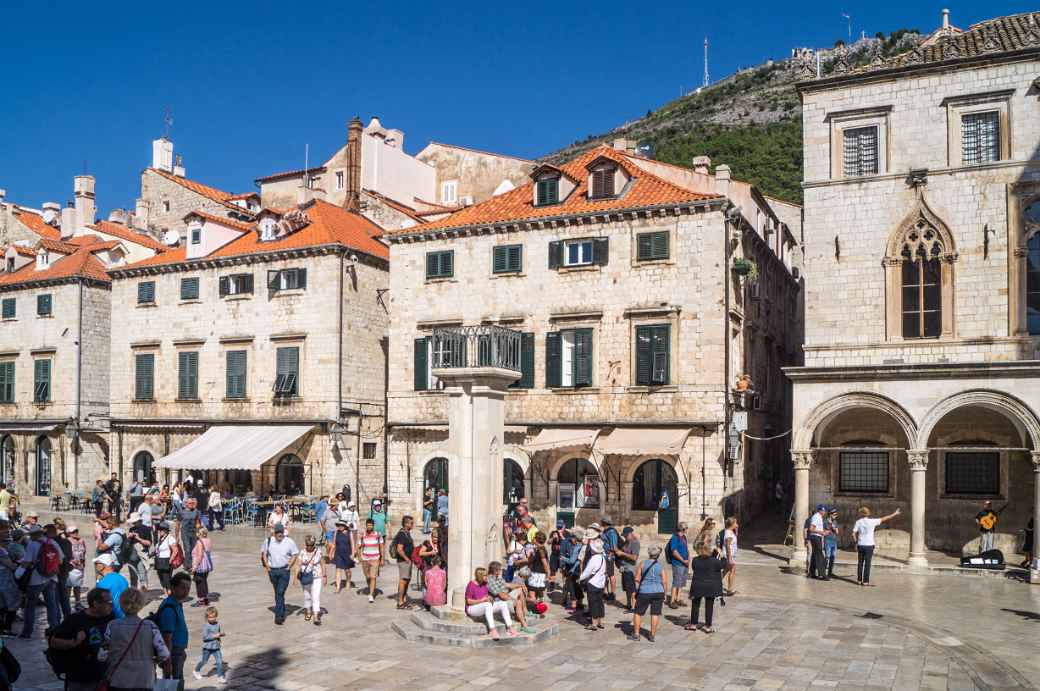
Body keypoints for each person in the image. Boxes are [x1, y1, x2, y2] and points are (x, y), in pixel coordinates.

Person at [46, 587, 115, 691]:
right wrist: (73, 642)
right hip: (81, 677)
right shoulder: (75, 620)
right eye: (108, 602)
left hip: (104, 675)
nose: (112, 605)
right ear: (96, 603)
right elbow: (53, 641)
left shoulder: (111, 617)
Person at [106, 587, 171, 690]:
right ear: (141, 605)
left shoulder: (112, 626)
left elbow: (102, 655)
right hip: (144, 679)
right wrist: (154, 660)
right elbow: (164, 654)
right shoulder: (150, 626)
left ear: (121, 604)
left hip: (119, 679)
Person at [19, 523, 62, 637]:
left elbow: (27, 562)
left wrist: (18, 574)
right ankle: (54, 628)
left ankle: (27, 632)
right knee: (51, 604)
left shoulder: (32, 544)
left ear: (33, 535)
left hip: (36, 579)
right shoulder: (52, 543)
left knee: (30, 606)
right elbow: (61, 560)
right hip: (52, 578)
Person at [685, 541, 730, 633]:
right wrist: (722, 555)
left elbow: (694, 568)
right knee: (709, 606)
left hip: (698, 586)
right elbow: (724, 565)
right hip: (710, 587)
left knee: (695, 605)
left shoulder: (695, 560)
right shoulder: (715, 561)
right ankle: (707, 626)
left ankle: (693, 624)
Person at [465, 567, 517, 639]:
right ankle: (492, 630)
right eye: (485, 575)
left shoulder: (485, 584)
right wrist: (482, 600)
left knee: (502, 603)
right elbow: (469, 601)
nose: (487, 577)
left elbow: (487, 596)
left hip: (484, 606)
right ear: (480, 576)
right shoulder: (471, 584)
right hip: (472, 608)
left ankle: (509, 627)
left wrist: (490, 598)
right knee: (487, 604)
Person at [261, 523, 299, 625]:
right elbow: (264, 553)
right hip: (272, 571)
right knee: (278, 593)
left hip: (284, 571)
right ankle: (281, 613)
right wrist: (267, 567)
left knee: (280, 592)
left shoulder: (289, 541)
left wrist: (289, 565)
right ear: (274, 533)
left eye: (281, 532)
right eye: (277, 532)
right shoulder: (268, 541)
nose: (279, 534)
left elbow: (295, 553)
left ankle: (278, 616)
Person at [853, 506, 900, 586]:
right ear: (868, 513)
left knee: (860, 563)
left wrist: (856, 542)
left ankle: (859, 580)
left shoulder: (858, 522)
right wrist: (895, 513)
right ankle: (865, 581)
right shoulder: (872, 521)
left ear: (861, 514)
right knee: (867, 564)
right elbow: (885, 518)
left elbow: (853, 533)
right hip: (869, 545)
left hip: (861, 545)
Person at [629, 545, 667, 642]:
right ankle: (652, 635)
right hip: (658, 591)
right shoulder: (660, 566)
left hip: (645, 591)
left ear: (649, 554)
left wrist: (635, 591)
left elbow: (637, 578)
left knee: (638, 613)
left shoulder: (642, 563)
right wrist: (665, 594)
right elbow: (664, 581)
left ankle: (636, 634)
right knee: (655, 613)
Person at [157, 572, 190, 681]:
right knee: (174, 683)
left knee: (178, 682)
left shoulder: (177, 603)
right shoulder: (169, 608)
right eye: (182, 588)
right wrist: (168, 662)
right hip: (173, 653)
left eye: (188, 588)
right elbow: (167, 638)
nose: (186, 591)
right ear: (173, 588)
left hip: (178, 652)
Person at [486, 560, 536, 634]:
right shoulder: (490, 580)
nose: (501, 571)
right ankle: (524, 625)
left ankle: (524, 612)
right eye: (499, 569)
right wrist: (513, 599)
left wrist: (521, 585)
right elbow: (501, 596)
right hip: (500, 602)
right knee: (518, 602)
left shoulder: (497, 578)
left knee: (519, 589)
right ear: (495, 570)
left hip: (506, 596)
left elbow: (508, 585)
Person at [296, 535, 325, 625]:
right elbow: (298, 564)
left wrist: (324, 576)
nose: (309, 547)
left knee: (315, 597)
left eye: (311, 545)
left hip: (317, 577)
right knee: (307, 596)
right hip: (305, 577)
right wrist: (295, 577)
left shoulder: (318, 552)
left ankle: (316, 616)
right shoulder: (302, 552)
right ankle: (308, 611)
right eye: (308, 545)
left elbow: (323, 564)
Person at [579, 540, 607, 631]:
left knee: (593, 603)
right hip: (601, 584)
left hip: (593, 583)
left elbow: (587, 572)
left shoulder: (593, 559)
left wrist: (579, 578)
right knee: (600, 603)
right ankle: (600, 622)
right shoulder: (603, 558)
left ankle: (594, 624)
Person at [193, 606, 226, 683]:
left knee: (219, 662)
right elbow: (205, 638)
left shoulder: (217, 624)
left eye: (214, 617)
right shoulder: (206, 626)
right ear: (207, 618)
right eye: (210, 617)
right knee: (204, 661)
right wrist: (215, 636)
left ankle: (220, 676)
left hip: (216, 647)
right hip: (207, 648)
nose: (212, 619)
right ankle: (196, 670)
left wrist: (220, 637)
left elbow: (218, 633)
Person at [391, 515, 415, 609]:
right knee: (403, 581)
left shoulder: (407, 533)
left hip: (408, 561)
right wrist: (407, 559)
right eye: (411, 523)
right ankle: (400, 602)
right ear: (406, 524)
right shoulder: (402, 534)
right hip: (403, 561)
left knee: (407, 580)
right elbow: (399, 549)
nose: (413, 525)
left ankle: (404, 599)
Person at [94, 553, 129, 619]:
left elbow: (98, 606)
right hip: (125, 617)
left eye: (96, 563)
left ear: (103, 566)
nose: (95, 566)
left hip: (110, 619)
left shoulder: (103, 583)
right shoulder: (122, 578)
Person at [52, 518, 74, 620]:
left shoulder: (53, 541)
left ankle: (56, 620)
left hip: (55, 572)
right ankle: (68, 618)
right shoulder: (67, 542)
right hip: (64, 571)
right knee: (64, 598)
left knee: (55, 598)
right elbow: (69, 557)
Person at [357, 518, 383, 603]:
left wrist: (382, 558)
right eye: (368, 525)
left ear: (373, 526)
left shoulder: (378, 535)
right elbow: (359, 546)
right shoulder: (362, 535)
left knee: (373, 577)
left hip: (375, 558)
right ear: (366, 525)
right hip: (365, 558)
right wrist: (359, 556)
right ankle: (371, 588)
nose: (369, 527)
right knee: (367, 576)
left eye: (371, 525)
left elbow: (381, 546)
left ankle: (371, 594)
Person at [125, 513, 152, 593]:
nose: (133, 523)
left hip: (141, 556)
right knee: (133, 577)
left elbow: (149, 543)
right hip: (131, 556)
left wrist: (138, 538)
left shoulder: (146, 529)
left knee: (142, 576)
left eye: (134, 522)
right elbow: (128, 543)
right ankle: (134, 595)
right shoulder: (131, 529)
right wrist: (129, 538)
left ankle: (143, 595)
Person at [666, 523, 690, 608]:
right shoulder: (675, 538)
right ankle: (672, 601)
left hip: (685, 563)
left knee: (682, 582)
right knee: (676, 582)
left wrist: (688, 561)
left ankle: (678, 598)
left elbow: (686, 549)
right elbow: (674, 551)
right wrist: (683, 560)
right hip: (678, 563)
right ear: (683, 529)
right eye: (686, 528)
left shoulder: (684, 537)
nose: (687, 529)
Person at [329, 520, 355, 593]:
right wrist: (330, 553)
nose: (340, 526)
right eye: (339, 525)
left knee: (347, 571)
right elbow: (334, 544)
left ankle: (348, 581)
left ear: (345, 526)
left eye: (341, 525)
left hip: (347, 554)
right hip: (338, 554)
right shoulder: (336, 533)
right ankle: (338, 587)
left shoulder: (350, 533)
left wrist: (353, 554)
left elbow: (353, 544)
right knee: (338, 570)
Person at [618, 527, 640, 611]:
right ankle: (628, 604)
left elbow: (634, 557)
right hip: (625, 568)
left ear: (630, 534)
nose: (625, 537)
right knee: (627, 588)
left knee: (632, 588)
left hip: (631, 569)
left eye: (626, 535)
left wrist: (622, 553)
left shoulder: (635, 543)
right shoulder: (626, 542)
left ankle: (634, 606)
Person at [177, 497, 202, 572]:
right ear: (186, 504)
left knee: (193, 549)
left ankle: (193, 564)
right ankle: (188, 566)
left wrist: (198, 531)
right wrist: (177, 536)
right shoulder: (181, 512)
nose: (192, 505)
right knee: (187, 549)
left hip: (193, 532)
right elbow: (177, 525)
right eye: (190, 503)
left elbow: (197, 522)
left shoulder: (196, 511)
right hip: (185, 533)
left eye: (192, 503)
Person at [191, 526, 213, 607]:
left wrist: (195, 567)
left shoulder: (199, 542)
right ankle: (206, 599)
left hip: (201, 565)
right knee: (204, 582)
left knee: (199, 583)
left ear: (199, 533)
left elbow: (200, 555)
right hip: (207, 565)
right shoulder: (208, 540)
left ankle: (201, 600)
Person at [600, 515, 620, 601]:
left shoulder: (611, 532)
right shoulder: (605, 531)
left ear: (604, 522)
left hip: (609, 556)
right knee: (605, 574)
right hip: (604, 555)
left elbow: (614, 545)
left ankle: (612, 593)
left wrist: (610, 555)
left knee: (611, 574)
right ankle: (605, 592)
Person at [66, 525, 87, 609]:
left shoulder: (81, 541)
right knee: (68, 586)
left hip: (80, 567)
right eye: (73, 532)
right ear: (69, 533)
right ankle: (66, 603)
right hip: (71, 566)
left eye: (76, 531)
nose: (75, 533)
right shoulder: (67, 541)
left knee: (77, 586)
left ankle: (77, 603)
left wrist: (83, 563)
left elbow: (84, 552)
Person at [527, 531, 550, 604]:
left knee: (532, 593)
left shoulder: (540, 550)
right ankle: (539, 609)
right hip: (538, 574)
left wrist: (547, 575)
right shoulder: (540, 549)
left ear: (536, 539)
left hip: (537, 574)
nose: (533, 539)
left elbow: (545, 563)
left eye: (534, 538)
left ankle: (536, 608)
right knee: (539, 593)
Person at [154, 522, 177, 595]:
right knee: (161, 578)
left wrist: (170, 560)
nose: (159, 531)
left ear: (166, 530)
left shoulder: (170, 538)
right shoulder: (160, 539)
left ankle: (170, 594)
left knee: (167, 578)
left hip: (166, 560)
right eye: (159, 530)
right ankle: (165, 593)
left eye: (161, 530)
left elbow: (175, 551)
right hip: (159, 560)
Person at [808, 504, 829, 580]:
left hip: (817, 537)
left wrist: (823, 532)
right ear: (821, 510)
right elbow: (811, 529)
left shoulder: (819, 517)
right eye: (824, 510)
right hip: (815, 537)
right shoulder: (816, 517)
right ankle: (822, 574)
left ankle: (811, 573)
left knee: (815, 555)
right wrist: (822, 532)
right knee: (820, 555)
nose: (825, 512)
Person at [721, 517, 739, 595]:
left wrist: (736, 529)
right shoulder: (728, 533)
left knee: (726, 570)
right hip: (728, 555)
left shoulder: (730, 531)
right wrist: (730, 558)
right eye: (735, 523)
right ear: (732, 524)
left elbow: (735, 537)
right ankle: (729, 589)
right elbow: (728, 546)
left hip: (730, 555)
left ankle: (714, 583)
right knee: (732, 570)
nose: (737, 524)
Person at [823, 509, 839, 580]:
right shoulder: (825, 522)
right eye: (834, 515)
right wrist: (826, 531)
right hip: (828, 541)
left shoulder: (835, 522)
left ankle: (830, 572)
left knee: (833, 557)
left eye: (836, 515)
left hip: (834, 541)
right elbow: (822, 531)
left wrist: (834, 527)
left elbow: (837, 532)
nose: (836, 516)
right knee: (827, 557)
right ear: (830, 514)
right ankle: (824, 573)